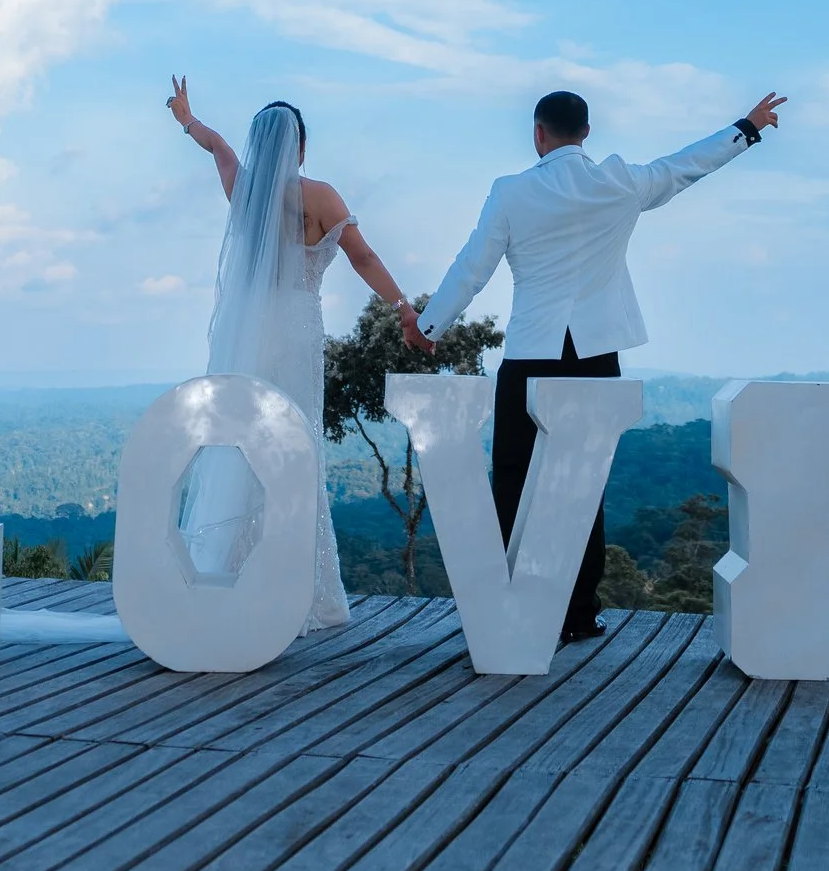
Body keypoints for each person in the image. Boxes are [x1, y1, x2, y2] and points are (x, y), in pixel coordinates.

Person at [411, 87, 786, 643]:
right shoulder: (619, 182)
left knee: (514, 482)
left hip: (531, 356)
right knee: (583, 487)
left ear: (538, 134)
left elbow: (472, 267)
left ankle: (511, 609)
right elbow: (684, 167)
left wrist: (428, 327)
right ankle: (578, 614)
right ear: (586, 133)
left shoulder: (511, 191)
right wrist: (746, 128)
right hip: (594, 358)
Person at [167, 79, 414, 633]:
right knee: (295, 450)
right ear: (300, 147)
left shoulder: (244, 193)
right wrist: (401, 305)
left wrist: (187, 118)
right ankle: (301, 586)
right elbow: (363, 256)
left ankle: (237, 571)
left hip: (252, 335)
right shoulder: (320, 197)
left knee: (248, 448)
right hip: (299, 332)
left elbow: (219, 148)